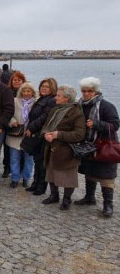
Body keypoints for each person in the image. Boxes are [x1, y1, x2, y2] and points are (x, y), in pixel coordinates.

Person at [76, 77, 119, 217]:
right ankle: (89, 197)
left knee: (106, 176)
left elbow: (115, 126)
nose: (86, 94)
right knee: (90, 172)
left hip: (104, 146)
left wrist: (96, 124)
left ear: (96, 91)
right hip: (88, 145)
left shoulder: (107, 106)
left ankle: (108, 205)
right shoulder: (79, 105)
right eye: (84, 91)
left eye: (90, 91)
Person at [41, 85, 86, 210]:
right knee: (51, 173)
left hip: (67, 151)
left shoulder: (77, 113)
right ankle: (54, 195)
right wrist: (46, 134)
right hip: (51, 148)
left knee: (68, 177)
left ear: (67, 98)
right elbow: (46, 125)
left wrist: (58, 135)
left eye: (59, 95)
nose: (56, 97)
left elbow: (79, 134)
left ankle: (67, 199)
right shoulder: (55, 110)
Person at [24, 78, 57, 195]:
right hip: (37, 134)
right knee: (37, 160)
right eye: (42, 86)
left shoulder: (51, 101)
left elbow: (45, 117)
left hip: (42, 134)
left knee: (42, 162)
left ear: (52, 88)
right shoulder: (42, 99)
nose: (44, 88)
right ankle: (35, 183)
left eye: (47, 86)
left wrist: (31, 127)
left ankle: (41, 186)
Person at [6, 82, 36, 188]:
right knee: (14, 158)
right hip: (16, 134)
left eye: (29, 91)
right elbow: (8, 113)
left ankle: (26, 178)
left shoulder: (36, 103)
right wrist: (12, 121)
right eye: (24, 91)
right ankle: (14, 178)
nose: (26, 93)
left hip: (29, 135)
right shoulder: (15, 101)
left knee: (29, 159)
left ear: (32, 92)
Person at [2, 71, 28, 178]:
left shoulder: (26, 93)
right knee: (8, 148)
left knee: (21, 148)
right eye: (15, 80)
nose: (16, 82)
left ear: (23, 81)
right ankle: (7, 168)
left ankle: (21, 169)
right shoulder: (7, 92)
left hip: (22, 125)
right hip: (10, 124)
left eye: (19, 80)